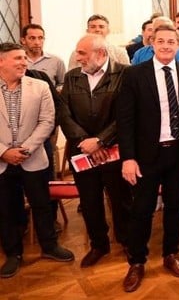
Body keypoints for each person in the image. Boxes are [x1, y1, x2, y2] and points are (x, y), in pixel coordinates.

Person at [118, 25, 179, 292]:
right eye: (161, 41)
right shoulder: (134, 74)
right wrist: (128, 158)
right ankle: (137, 261)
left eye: (171, 41)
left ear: (178, 45)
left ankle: (170, 254)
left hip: (178, 152)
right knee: (142, 209)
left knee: (175, 206)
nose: (166, 46)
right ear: (151, 43)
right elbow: (126, 120)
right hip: (146, 155)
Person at [0, 42, 75, 279]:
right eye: (17, 59)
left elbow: (47, 122)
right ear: (1, 61)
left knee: (42, 204)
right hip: (1, 161)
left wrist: (26, 148)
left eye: (24, 58)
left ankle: (49, 246)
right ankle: (13, 254)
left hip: (32, 158)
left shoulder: (40, 86)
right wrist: (3, 151)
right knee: (6, 208)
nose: (24, 62)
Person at [57, 34, 131, 268]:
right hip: (83, 153)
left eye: (82, 53)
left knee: (121, 200)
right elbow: (64, 114)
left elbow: (126, 115)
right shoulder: (72, 77)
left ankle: (127, 241)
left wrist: (101, 140)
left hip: (116, 151)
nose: (77, 57)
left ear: (100, 54)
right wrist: (85, 142)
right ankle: (99, 244)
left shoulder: (124, 74)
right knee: (89, 202)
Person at [21, 24, 65, 89]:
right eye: (32, 38)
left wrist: (56, 92)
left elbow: (63, 83)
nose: (37, 42)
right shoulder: (17, 61)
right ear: (23, 40)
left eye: (40, 38)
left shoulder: (56, 61)